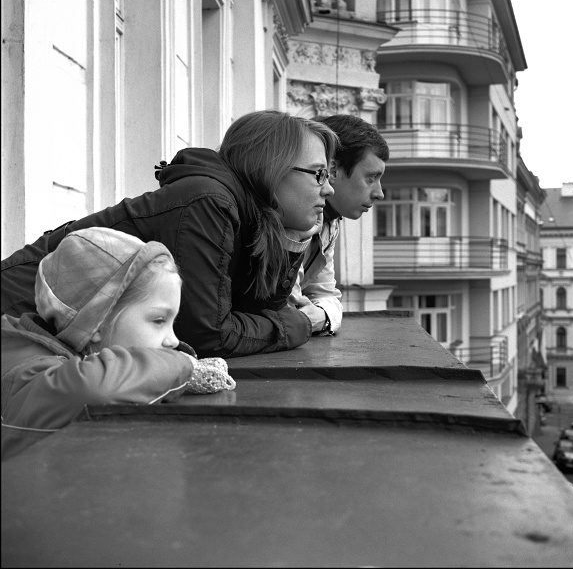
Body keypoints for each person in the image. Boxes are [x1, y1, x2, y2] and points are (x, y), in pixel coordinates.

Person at [1, 111, 338, 358]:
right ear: (272, 168)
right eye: (319, 174)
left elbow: (258, 310)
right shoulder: (209, 202)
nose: (328, 189)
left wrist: (294, 239)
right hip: (19, 313)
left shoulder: (246, 215)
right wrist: (297, 326)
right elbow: (208, 336)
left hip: (69, 337)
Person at [1, 227, 235, 461]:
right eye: (158, 320)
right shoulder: (23, 368)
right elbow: (91, 388)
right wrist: (182, 366)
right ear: (96, 324)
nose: (173, 340)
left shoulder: (68, 349)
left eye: (172, 323)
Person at [289, 114, 389, 335]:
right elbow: (288, 311)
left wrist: (321, 317)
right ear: (333, 171)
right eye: (371, 178)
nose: (379, 193)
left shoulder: (330, 222)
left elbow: (327, 297)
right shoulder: (292, 216)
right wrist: (315, 317)